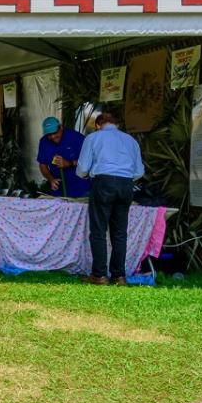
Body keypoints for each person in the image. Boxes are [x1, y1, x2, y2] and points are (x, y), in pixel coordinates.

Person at [77, 109, 144, 286]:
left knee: (98, 230)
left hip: (103, 182)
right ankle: (119, 276)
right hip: (126, 185)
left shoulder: (93, 138)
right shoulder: (131, 141)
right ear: (117, 125)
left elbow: (82, 168)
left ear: (98, 125)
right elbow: (139, 172)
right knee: (120, 232)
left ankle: (99, 275)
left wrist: (87, 175)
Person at [36, 117, 90, 198]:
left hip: (81, 189)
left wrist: (70, 163)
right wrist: (51, 179)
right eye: (49, 135)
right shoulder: (44, 142)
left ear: (61, 127)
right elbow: (42, 165)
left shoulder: (76, 138)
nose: (53, 137)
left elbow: (90, 161)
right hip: (59, 191)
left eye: (54, 133)